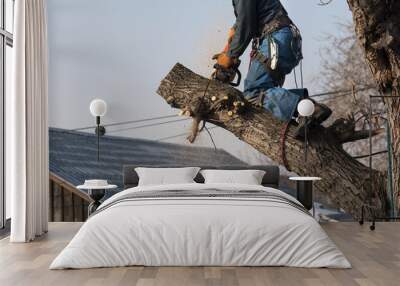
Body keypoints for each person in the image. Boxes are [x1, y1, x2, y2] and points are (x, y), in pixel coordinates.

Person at [213, 0, 331, 135]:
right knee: (266, 91)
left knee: (255, 91)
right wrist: (229, 45)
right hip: (284, 38)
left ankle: (308, 108)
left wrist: (230, 56)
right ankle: (305, 109)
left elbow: (246, 25)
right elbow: (244, 22)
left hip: (276, 38)